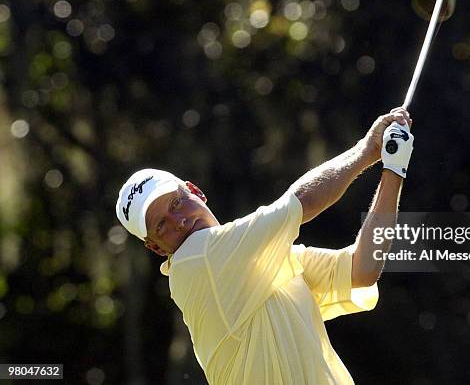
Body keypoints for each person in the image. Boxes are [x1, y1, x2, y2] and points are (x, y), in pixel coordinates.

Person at [115, 108, 414, 384]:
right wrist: (367, 150)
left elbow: (362, 269)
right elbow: (302, 202)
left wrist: (393, 170)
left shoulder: (265, 260)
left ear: (195, 191)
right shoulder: (195, 262)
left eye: (177, 203)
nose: (178, 221)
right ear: (155, 248)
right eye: (161, 226)